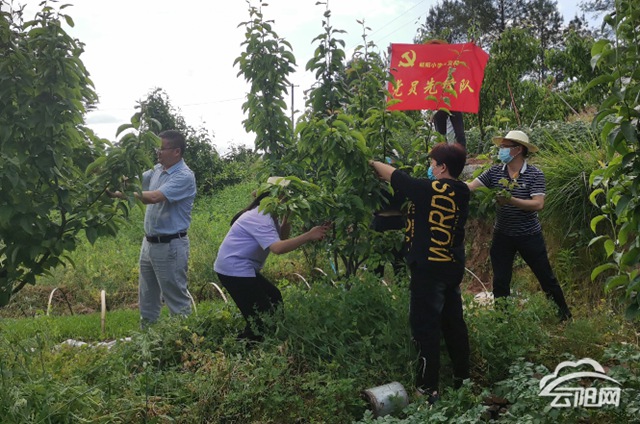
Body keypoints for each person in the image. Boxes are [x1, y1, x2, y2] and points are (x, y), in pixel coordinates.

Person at [369, 142, 471, 404]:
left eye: (432, 164)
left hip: (428, 271)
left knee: (425, 328)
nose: (430, 168)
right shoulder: (462, 191)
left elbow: (394, 175)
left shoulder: (429, 189)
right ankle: (463, 380)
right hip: (451, 268)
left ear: (442, 167)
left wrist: (370, 163)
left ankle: (427, 390)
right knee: (453, 324)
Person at [467, 130, 572, 321]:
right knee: (500, 281)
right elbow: (471, 187)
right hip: (502, 234)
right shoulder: (494, 172)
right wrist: (446, 184)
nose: (501, 150)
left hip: (529, 235)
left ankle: (564, 315)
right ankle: (502, 319)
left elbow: (538, 204)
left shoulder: (534, 174)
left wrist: (511, 200)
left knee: (545, 277)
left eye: (505, 147)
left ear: (518, 149)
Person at [214, 177, 330, 342]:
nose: (289, 200)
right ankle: (252, 343)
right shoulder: (260, 217)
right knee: (260, 319)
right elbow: (278, 248)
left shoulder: (270, 215)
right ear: (275, 197)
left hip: (241, 268)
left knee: (274, 297)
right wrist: (309, 235)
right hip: (234, 270)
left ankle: (276, 334)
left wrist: (287, 218)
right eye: (286, 197)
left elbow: (281, 238)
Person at [110, 130, 197, 326]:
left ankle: (185, 339)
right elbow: (134, 182)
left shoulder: (184, 176)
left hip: (170, 246)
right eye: (157, 148)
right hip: (149, 243)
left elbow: (154, 197)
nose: (158, 153)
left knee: (176, 298)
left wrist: (120, 195)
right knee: (147, 298)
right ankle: (148, 338)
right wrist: (111, 177)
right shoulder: (158, 169)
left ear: (176, 151)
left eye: (162, 149)